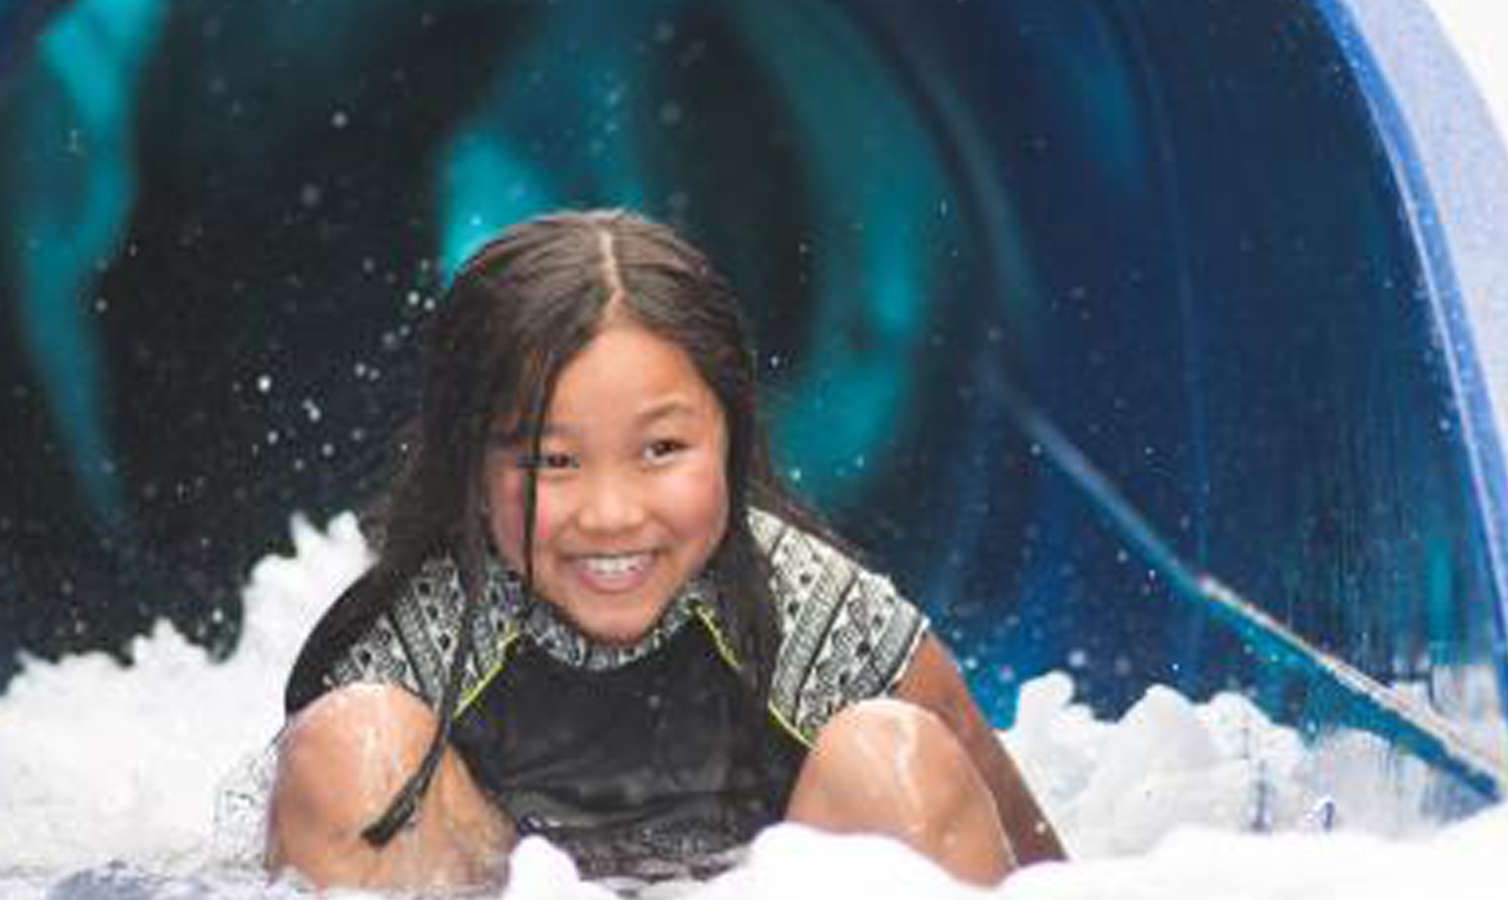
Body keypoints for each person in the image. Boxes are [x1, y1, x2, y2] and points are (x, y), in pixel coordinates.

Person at [267, 210, 1065, 891]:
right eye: (553, 461)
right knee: (352, 749)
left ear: (732, 436)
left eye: (660, 450)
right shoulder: (417, 647)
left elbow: (1053, 879)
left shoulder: (821, 622)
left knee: (894, 756)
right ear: (471, 467)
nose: (611, 515)